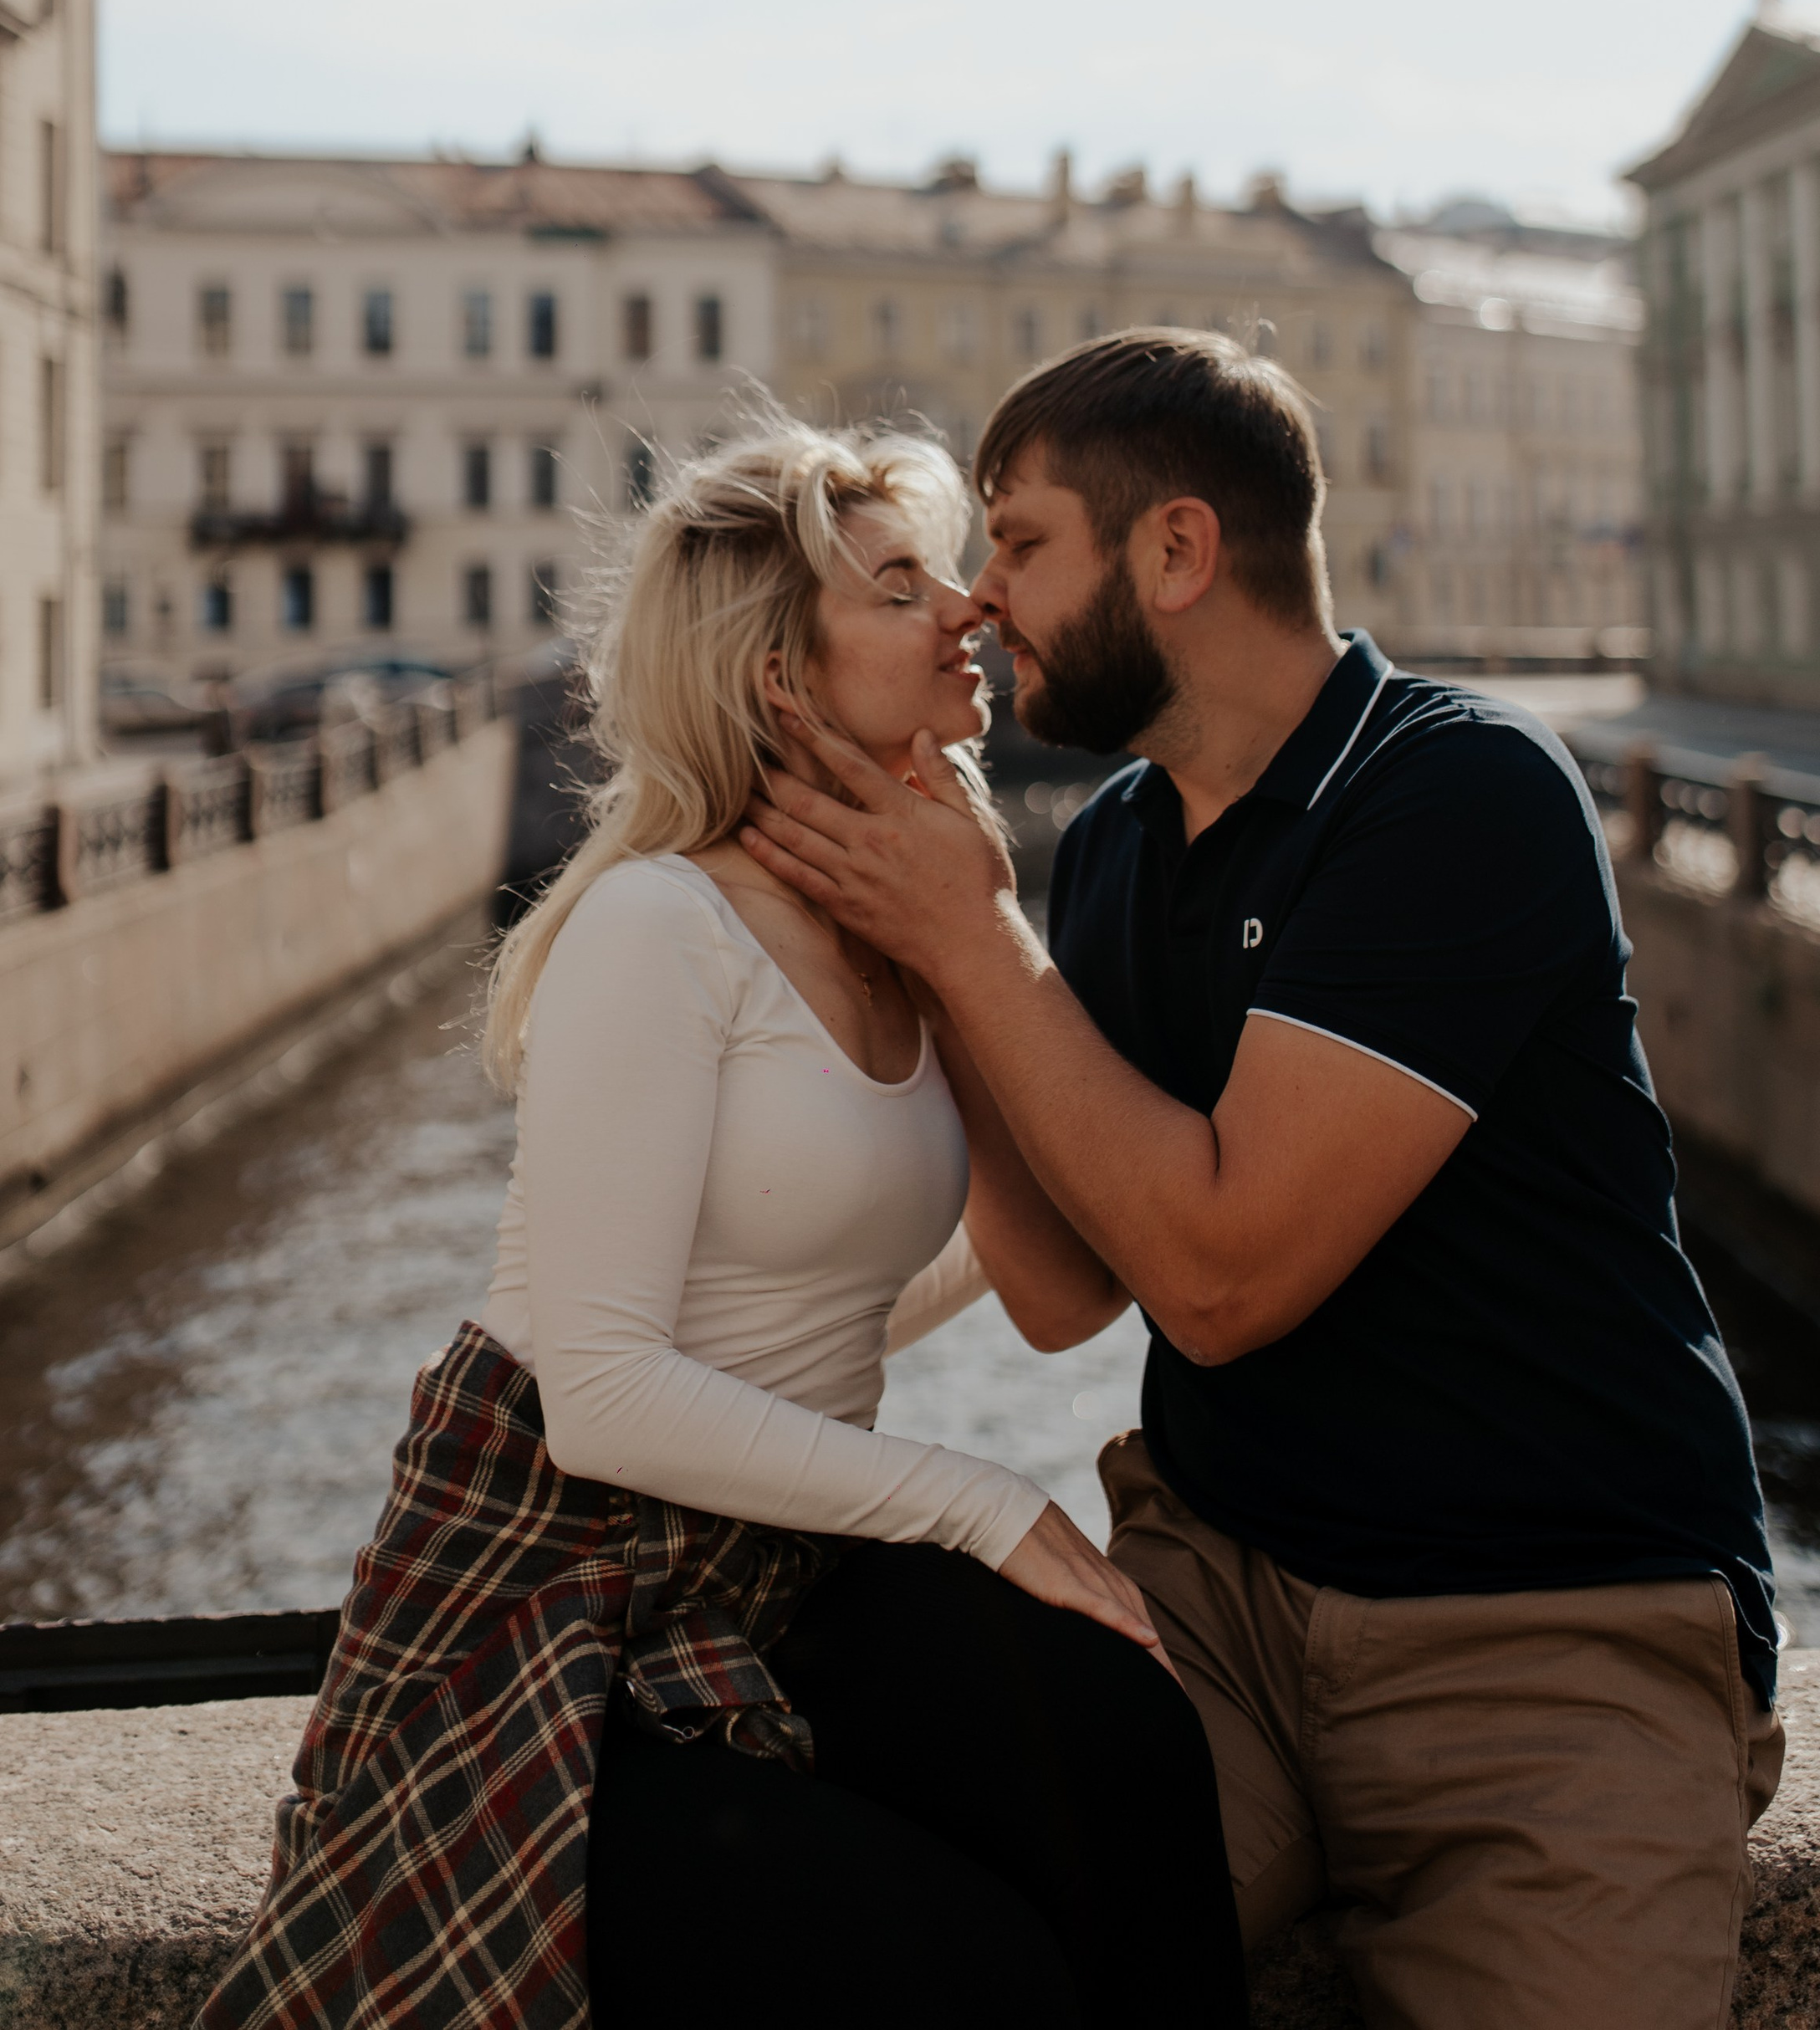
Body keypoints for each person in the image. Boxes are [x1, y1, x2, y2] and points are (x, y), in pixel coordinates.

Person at [741, 329, 1785, 2030]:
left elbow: (1220, 1283)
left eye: (1017, 540)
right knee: (882, 1927)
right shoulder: (1121, 846)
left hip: (1549, 1638)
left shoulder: (1455, 790)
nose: (982, 597)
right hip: (1220, 1599)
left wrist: (963, 928)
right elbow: (1071, 1287)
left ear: (1172, 550)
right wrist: (942, 963)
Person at [198, 419, 1245, 2030]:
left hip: (778, 1560)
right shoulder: (657, 922)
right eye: (903, 585)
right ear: (776, 672)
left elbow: (944, 1289)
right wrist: (975, 1500)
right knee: (965, 1976)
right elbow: (605, 1393)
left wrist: (989, 954)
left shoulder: (914, 921)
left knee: (1124, 1737)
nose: (967, 605)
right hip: (552, 1586)